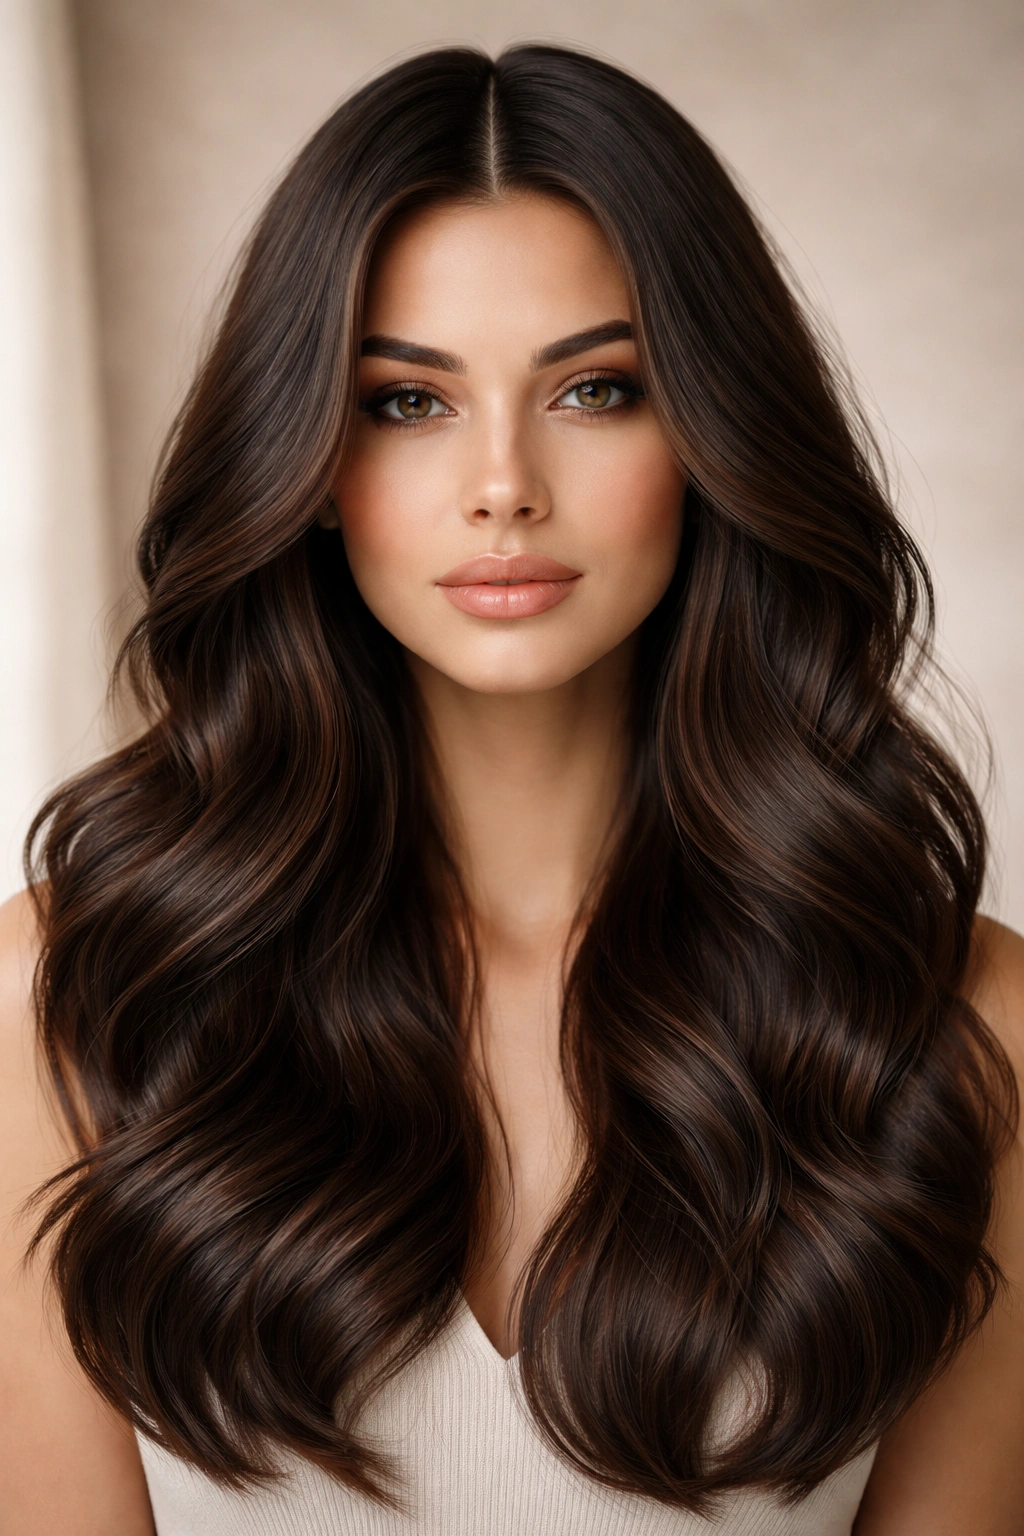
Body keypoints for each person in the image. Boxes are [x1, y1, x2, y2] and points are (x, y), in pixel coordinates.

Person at [2, 43, 1022, 1535]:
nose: (503, 484)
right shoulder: (75, 998)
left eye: (598, 389)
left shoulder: (957, 1023)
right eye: (407, 403)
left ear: (712, 435)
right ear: (305, 454)